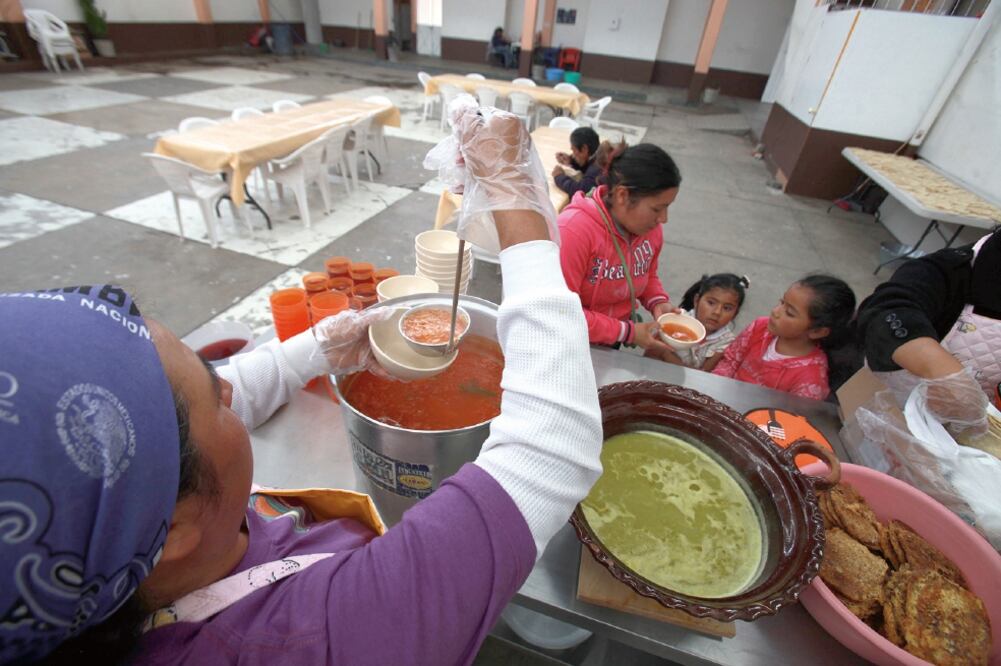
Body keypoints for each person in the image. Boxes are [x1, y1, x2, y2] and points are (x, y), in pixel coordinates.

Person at [0, 109, 604, 665]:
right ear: (173, 530)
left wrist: (313, 351)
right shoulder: (321, 637)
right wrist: (516, 200)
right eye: (214, 391)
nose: (232, 390)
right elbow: (549, 450)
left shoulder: (110, 555)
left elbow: (183, 427)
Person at [855, 231, 999, 434]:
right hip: (886, 417)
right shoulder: (950, 270)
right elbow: (885, 310)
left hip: (976, 440)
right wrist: (948, 376)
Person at [558, 142, 682, 354]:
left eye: (667, 207)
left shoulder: (649, 229)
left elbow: (647, 272)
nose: (664, 218)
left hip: (611, 341)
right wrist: (628, 332)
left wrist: (657, 301)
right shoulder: (573, 232)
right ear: (623, 195)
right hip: (569, 344)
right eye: (657, 209)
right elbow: (561, 313)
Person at [713, 275, 856, 400]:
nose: (775, 311)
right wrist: (714, 391)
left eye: (789, 313)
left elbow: (790, 417)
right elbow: (730, 361)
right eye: (782, 302)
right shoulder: (759, 327)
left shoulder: (810, 379)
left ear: (817, 331)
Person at [648, 273, 749, 371]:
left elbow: (702, 375)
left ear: (735, 314)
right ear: (696, 300)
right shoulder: (676, 319)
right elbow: (650, 354)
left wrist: (666, 354)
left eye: (727, 308)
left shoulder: (727, 342)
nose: (717, 312)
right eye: (711, 303)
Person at [552, 127, 601, 197]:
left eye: (574, 150)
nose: (573, 155)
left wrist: (559, 176)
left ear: (584, 149)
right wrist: (571, 162)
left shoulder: (597, 168)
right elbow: (587, 168)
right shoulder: (598, 156)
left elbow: (579, 190)